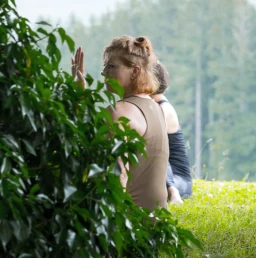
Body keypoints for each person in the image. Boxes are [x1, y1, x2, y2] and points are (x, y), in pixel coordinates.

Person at [71, 36, 169, 210]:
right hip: (159, 225)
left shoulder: (119, 111)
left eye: (112, 66)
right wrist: (81, 94)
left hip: (131, 226)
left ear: (135, 72)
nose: (104, 73)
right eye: (105, 66)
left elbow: (118, 177)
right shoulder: (155, 107)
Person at [151, 62, 193, 204]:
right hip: (163, 176)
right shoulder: (152, 106)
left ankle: (172, 193)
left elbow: (158, 150)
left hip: (178, 180)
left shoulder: (164, 109)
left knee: (155, 150)